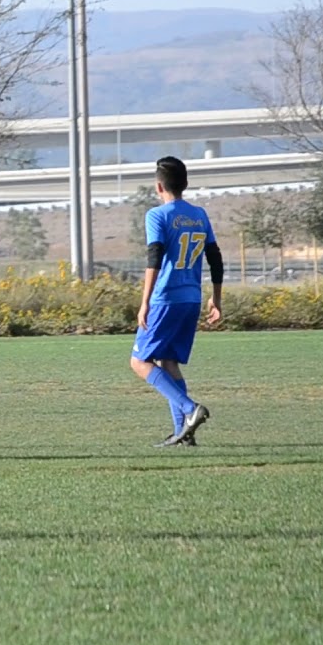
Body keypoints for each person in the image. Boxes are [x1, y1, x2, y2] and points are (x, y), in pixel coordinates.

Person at [130, 156, 225, 447]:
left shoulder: (157, 215)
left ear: (159, 186)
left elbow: (154, 257)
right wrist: (216, 298)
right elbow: (215, 258)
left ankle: (189, 409)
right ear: (185, 184)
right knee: (168, 362)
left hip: (165, 298)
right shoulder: (199, 215)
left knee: (139, 362)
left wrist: (144, 301)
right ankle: (182, 433)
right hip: (191, 299)